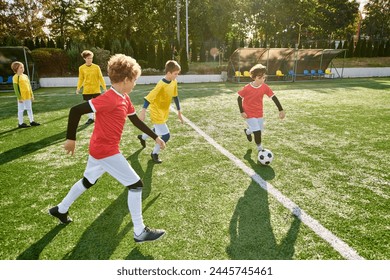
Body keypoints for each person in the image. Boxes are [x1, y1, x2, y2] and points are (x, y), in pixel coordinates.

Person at [49, 54, 166, 243]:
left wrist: (155, 137)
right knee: (136, 185)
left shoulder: (124, 98)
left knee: (88, 181)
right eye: (134, 80)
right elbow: (75, 111)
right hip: (106, 151)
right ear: (126, 80)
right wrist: (71, 138)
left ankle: (60, 209)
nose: (135, 84)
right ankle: (139, 232)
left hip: (99, 149)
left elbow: (135, 120)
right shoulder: (109, 98)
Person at [137, 60, 184, 163]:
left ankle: (143, 137)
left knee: (156, 129)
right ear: (169, 73)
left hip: (164, 111)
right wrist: (143, 111)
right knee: (166, 135)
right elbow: (149, 97)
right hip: (156, 111)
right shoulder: (161, 84)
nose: (177, 76)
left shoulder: (174, 82)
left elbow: (175, 97)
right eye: (175, 74)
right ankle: (154, 153)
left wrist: (179, 112)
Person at [237, 64, 285, 153]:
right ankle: (260, 149)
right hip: (248, 112)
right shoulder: (247, 88)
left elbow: (273, 97)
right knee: (257, 132)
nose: (263, 80)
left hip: (259, 112)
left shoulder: (265, 87)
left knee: (258, 129)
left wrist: (281, 109)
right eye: (260, 78)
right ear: (254, 77)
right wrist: (242, 111)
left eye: (264, 77)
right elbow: (239, 98)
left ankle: (247, 131)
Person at [76, 50, 107, 125]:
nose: (90, 60)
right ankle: (91, 118)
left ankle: (101, 118)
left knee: (99, 105)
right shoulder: (81, 68)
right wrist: (78, 88)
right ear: (84, 59)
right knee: (88, 105)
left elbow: (100, 77)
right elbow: (81, 79)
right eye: (88, 58)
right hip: (87, 90)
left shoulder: (96, 67)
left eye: (91, 58)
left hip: (96, 89)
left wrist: (104, 87)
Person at [11, 61, 40, 128]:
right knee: (21, 110)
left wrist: (32, 95)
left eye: (23, 67)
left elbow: (29, 86)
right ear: (16, 69)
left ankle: (32, 121)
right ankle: (20, 123)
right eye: (21, 67)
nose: (23, 68)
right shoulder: (15, 77)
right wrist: (19, 98)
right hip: (21, 97)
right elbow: (16, 89)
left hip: (28, 96)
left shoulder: (25, 76)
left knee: (29, 109)